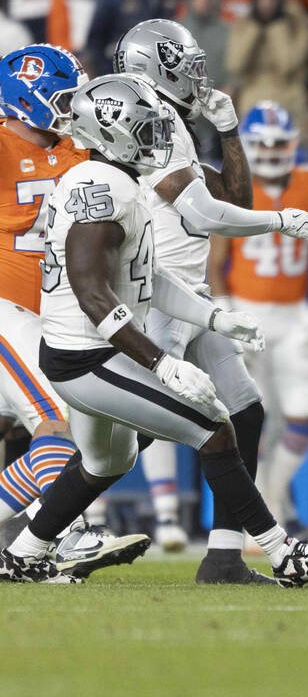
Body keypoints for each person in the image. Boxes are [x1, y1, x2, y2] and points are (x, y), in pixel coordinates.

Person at [0, 73, 308, 585]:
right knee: (213, 426)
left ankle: (24, 552)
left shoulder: (119, 181)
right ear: (110, 135)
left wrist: (211, 317)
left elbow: (145, 277)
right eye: (144, 130)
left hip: (96, 346)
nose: (157, 140)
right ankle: (282, 552)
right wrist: (161, 362)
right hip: (86, 354)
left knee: (104, 463)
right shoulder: (98, 189)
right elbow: (93, 294)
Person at [114, 19, 308, 582]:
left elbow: (230, 194)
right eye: (184, 64)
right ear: (152, 68)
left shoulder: (171, 123)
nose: (197, 76)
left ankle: (225, 555)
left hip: (187, 298)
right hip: (153, 300)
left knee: (244, 413)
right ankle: (33, 525)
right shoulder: (147, 121)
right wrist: (277, 219)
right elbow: (206, 215)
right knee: (128, 435)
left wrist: (228, 131)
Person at [0, 43, 146, 577]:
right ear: (26, 97)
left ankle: (37, 539)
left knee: (71, 434)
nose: (70, 107)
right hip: (7, 307)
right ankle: (62, 536)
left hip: (53, 318)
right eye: (61, 96)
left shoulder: (79, 150)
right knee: (55, 423)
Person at [208, 101, 308, 530]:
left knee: (304, 413)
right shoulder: (236, 186)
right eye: (264, 142)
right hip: (248, 311)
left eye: (280, 142)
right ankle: (258, 514)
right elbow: (216, 261)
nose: (274, 150)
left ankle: (273, 496)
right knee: (249, 421)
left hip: (294, 314)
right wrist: (228, 318)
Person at [225, 0, 308, 122]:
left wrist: (276, 29)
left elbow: (288, 66)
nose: (266, 3)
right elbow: (235, 64)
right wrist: (253, 31)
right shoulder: (244, 24)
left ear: (280, 0)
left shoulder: (296, 24)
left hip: (289, 98)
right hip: (253, 96)